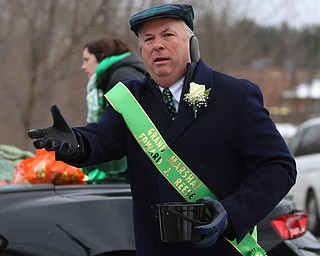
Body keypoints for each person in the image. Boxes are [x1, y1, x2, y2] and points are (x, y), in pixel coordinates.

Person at [28, 3, 297, 256]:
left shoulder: (236, 95)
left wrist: (232, 212)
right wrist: (75, 142)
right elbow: (101, 139)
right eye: (148, 39)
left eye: (167, 35)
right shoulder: (129, 99)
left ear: (191, 44)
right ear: (141, 51)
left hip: (222, 247)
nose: (157, 45)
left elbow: (278, 167)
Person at [80, 37, 146, 183]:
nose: (83, 66)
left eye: (86, 59)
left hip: (130, 171)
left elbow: (123, 130)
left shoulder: (122, 77)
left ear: (101, 56)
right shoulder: (117, 75)